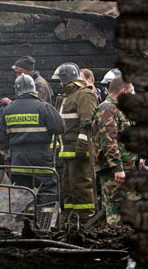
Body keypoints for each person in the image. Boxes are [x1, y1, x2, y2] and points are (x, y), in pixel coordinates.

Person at [0, 74, 66, 204]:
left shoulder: (8, 110)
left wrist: (6, 153)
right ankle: (45, 217)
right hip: (41, 158)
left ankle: (24, 218)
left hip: (18, 160)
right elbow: (60, 128)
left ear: (17, 90)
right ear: (33, 89)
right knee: (46, 188)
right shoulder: (44, 107)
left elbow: (2, 138)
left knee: (22, 191)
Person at [92, 75, 144, 226]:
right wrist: (117, 168)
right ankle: (115, 245)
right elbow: (109, 141)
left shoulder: (119, 109)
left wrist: (137, 158)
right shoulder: (107, 109)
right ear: (123, 91)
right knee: (118, 214)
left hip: (125, 168)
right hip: (115, 171)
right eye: (131, 91)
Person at [52, 62, 98, 223]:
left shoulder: (84, 94)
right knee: (69, 188)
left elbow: (87, 124)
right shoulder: (67, 96)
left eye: (60, 80)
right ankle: (72, 220)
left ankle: (87, 220)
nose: (59, 83)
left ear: (66, 78)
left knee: (81, 188)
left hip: (78, 152)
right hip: (67, 151)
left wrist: (82, 148)